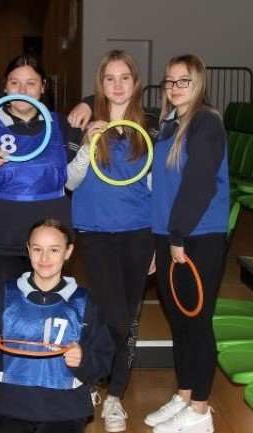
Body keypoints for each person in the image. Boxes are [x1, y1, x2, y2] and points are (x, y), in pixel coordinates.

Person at [66, 49, 155, 433]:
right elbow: (69, 182)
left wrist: (159, 244)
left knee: (127, 318)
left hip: (139, 232)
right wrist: (87, 146)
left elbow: (157, 189)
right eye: (109, 78)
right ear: (99, 85)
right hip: (97, 232)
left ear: (135, 83)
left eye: (124, 78)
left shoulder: (151, 129)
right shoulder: (86, 124)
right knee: (112, 316)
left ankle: (115, 394)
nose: (117, 85)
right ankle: (92, 380)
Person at [0, 54, 83, 299]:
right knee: (6, 318)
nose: (22, 89)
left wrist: (89, 103)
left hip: (50, 244)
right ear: (5, 86)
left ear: (43, 87)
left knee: (45, 318)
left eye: (31, 83)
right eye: (14, 83)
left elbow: (81, 176)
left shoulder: (64, 127)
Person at [145, 54, 229, 433]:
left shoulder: (206, 122)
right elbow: (161, 189)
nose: (175, 88)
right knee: (179, 324)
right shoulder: (168, 125)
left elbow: (199, 186)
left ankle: (200, 411)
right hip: (170, 237)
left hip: (197, 237)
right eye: (169, 81)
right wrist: (159, 241)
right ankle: (183, 394)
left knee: (197, 324)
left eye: (184, 81)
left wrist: (177, 236)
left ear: (199, 84)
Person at [0, 218, 114, 433]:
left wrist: (83, 358)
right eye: (37, 249)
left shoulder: (84, 301)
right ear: (28, 250)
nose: (44, 258)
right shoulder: (4, 295)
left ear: (68, 251)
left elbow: (103, 361)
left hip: (66, 410)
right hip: (13, 407)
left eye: (54, 250)